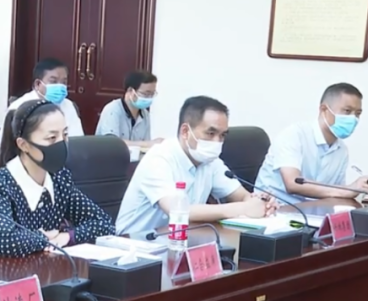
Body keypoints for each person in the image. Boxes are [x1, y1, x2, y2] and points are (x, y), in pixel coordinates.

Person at [0, 100, 114, 262]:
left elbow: (103, 223)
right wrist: (45, 238)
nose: (61, 143)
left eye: (65, 135)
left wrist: (66, 237)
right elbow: (6, 242)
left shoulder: (59, 179)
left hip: (40, 269)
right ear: (24, 145)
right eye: (52, 138)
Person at [115, 96, 277, 235]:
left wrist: (260, 203)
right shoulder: (159, 158)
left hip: (182, 240)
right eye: (210, 133)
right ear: (185, 131)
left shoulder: (210, 161)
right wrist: (243, 208)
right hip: (135, 245)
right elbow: (178, 210)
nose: (217, 142)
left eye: (222, 135)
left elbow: (241, 195)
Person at [255, 83, 368, 203]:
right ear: (324, 109)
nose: (353, 118)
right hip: (273, 208)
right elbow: (293, 183)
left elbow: (335, 193)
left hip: (312, 210)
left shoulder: (341, 149)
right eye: (347, 111)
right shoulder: (294, 135)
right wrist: (348, 190)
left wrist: (364, 191)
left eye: (358, 113)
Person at [0, 58, 84, 160]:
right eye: (53, 81)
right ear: (38, 84)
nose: (60, 86)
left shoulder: (68, 105)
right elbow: (4, 149)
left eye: (64, 82)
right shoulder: (18, 107)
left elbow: (78, 142)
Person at [96, 70, 161, 149]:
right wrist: (147, 144)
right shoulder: (112, 110)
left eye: (152, 94)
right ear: (130, 91)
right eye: (146, 94)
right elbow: (112, 143)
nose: (149, 98)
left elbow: (146, 146)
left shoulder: (145, 114)